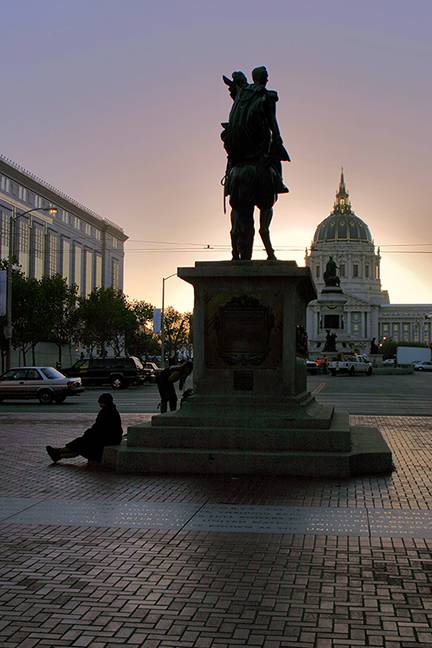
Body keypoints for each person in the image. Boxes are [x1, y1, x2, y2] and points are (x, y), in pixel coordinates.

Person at [46, 393, 123, 463]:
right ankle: (58, 454)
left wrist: (88, 434)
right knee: (81, 444)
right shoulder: (111, 410)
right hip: (111, 438)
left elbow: (99, 428)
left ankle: (58, 452)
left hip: (108, 439)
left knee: (81, 444)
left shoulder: (106, 412)